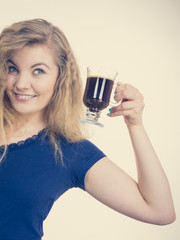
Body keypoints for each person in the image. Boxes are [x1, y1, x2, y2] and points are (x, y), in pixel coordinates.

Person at [0, 18, 176, 240]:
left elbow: (160, 211)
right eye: (12, 68)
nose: (21, 83)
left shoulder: (69, 151)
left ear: (60, 77)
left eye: (38, 71)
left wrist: (136, 125)